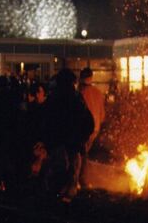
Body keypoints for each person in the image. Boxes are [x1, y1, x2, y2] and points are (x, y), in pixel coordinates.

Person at [40, 68, 94, 203]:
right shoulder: (76, 99)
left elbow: (43, 122)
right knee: (70, 179)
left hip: (58, 145)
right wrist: (82, 139)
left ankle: (55, 201)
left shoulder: (53, 100)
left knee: (58, 175)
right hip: (72, 145)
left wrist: (47, 142)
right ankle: (66, 202)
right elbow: (89, 122)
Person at [78, 68, 105, 155]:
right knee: (85, 153)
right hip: (95, 129)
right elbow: (102, 115)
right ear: (91, 77)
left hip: (83, 129)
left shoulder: (80, 93)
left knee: (80, 154)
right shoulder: (98, 93)